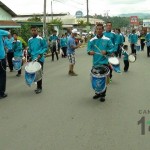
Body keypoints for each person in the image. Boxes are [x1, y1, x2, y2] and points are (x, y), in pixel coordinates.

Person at [87, 23, 115, 102]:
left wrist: (106, 51)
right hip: (96, 63)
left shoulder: (107, 39)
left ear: (103, 30)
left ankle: (103, 94)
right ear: (96, 30)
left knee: (104, 78)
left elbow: (112, 49)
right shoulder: (92, 40)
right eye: (97, 29)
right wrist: (90, 52)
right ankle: (97, 93)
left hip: (104, 62)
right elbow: (88, 50)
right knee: (95, 78)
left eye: (100, 29)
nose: (99, 30)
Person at [28, 26, 48, 94]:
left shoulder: (41, 39)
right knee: (35, 73)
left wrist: (40, 54)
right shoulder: (29, 40)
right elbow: (30, 49)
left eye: (35, 30)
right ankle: (37, 87)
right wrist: (30, 55)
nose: (33, 32)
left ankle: (40, 87)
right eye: (32, 30)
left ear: (37, 31)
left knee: (39, 73)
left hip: (40, 58)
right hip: (33, 58)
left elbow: (45, 47)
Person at [0, 29, 10, 99]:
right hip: (1, 58)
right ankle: (1, 93)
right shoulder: (0, 32)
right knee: (2, 76)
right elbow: (8, 33)